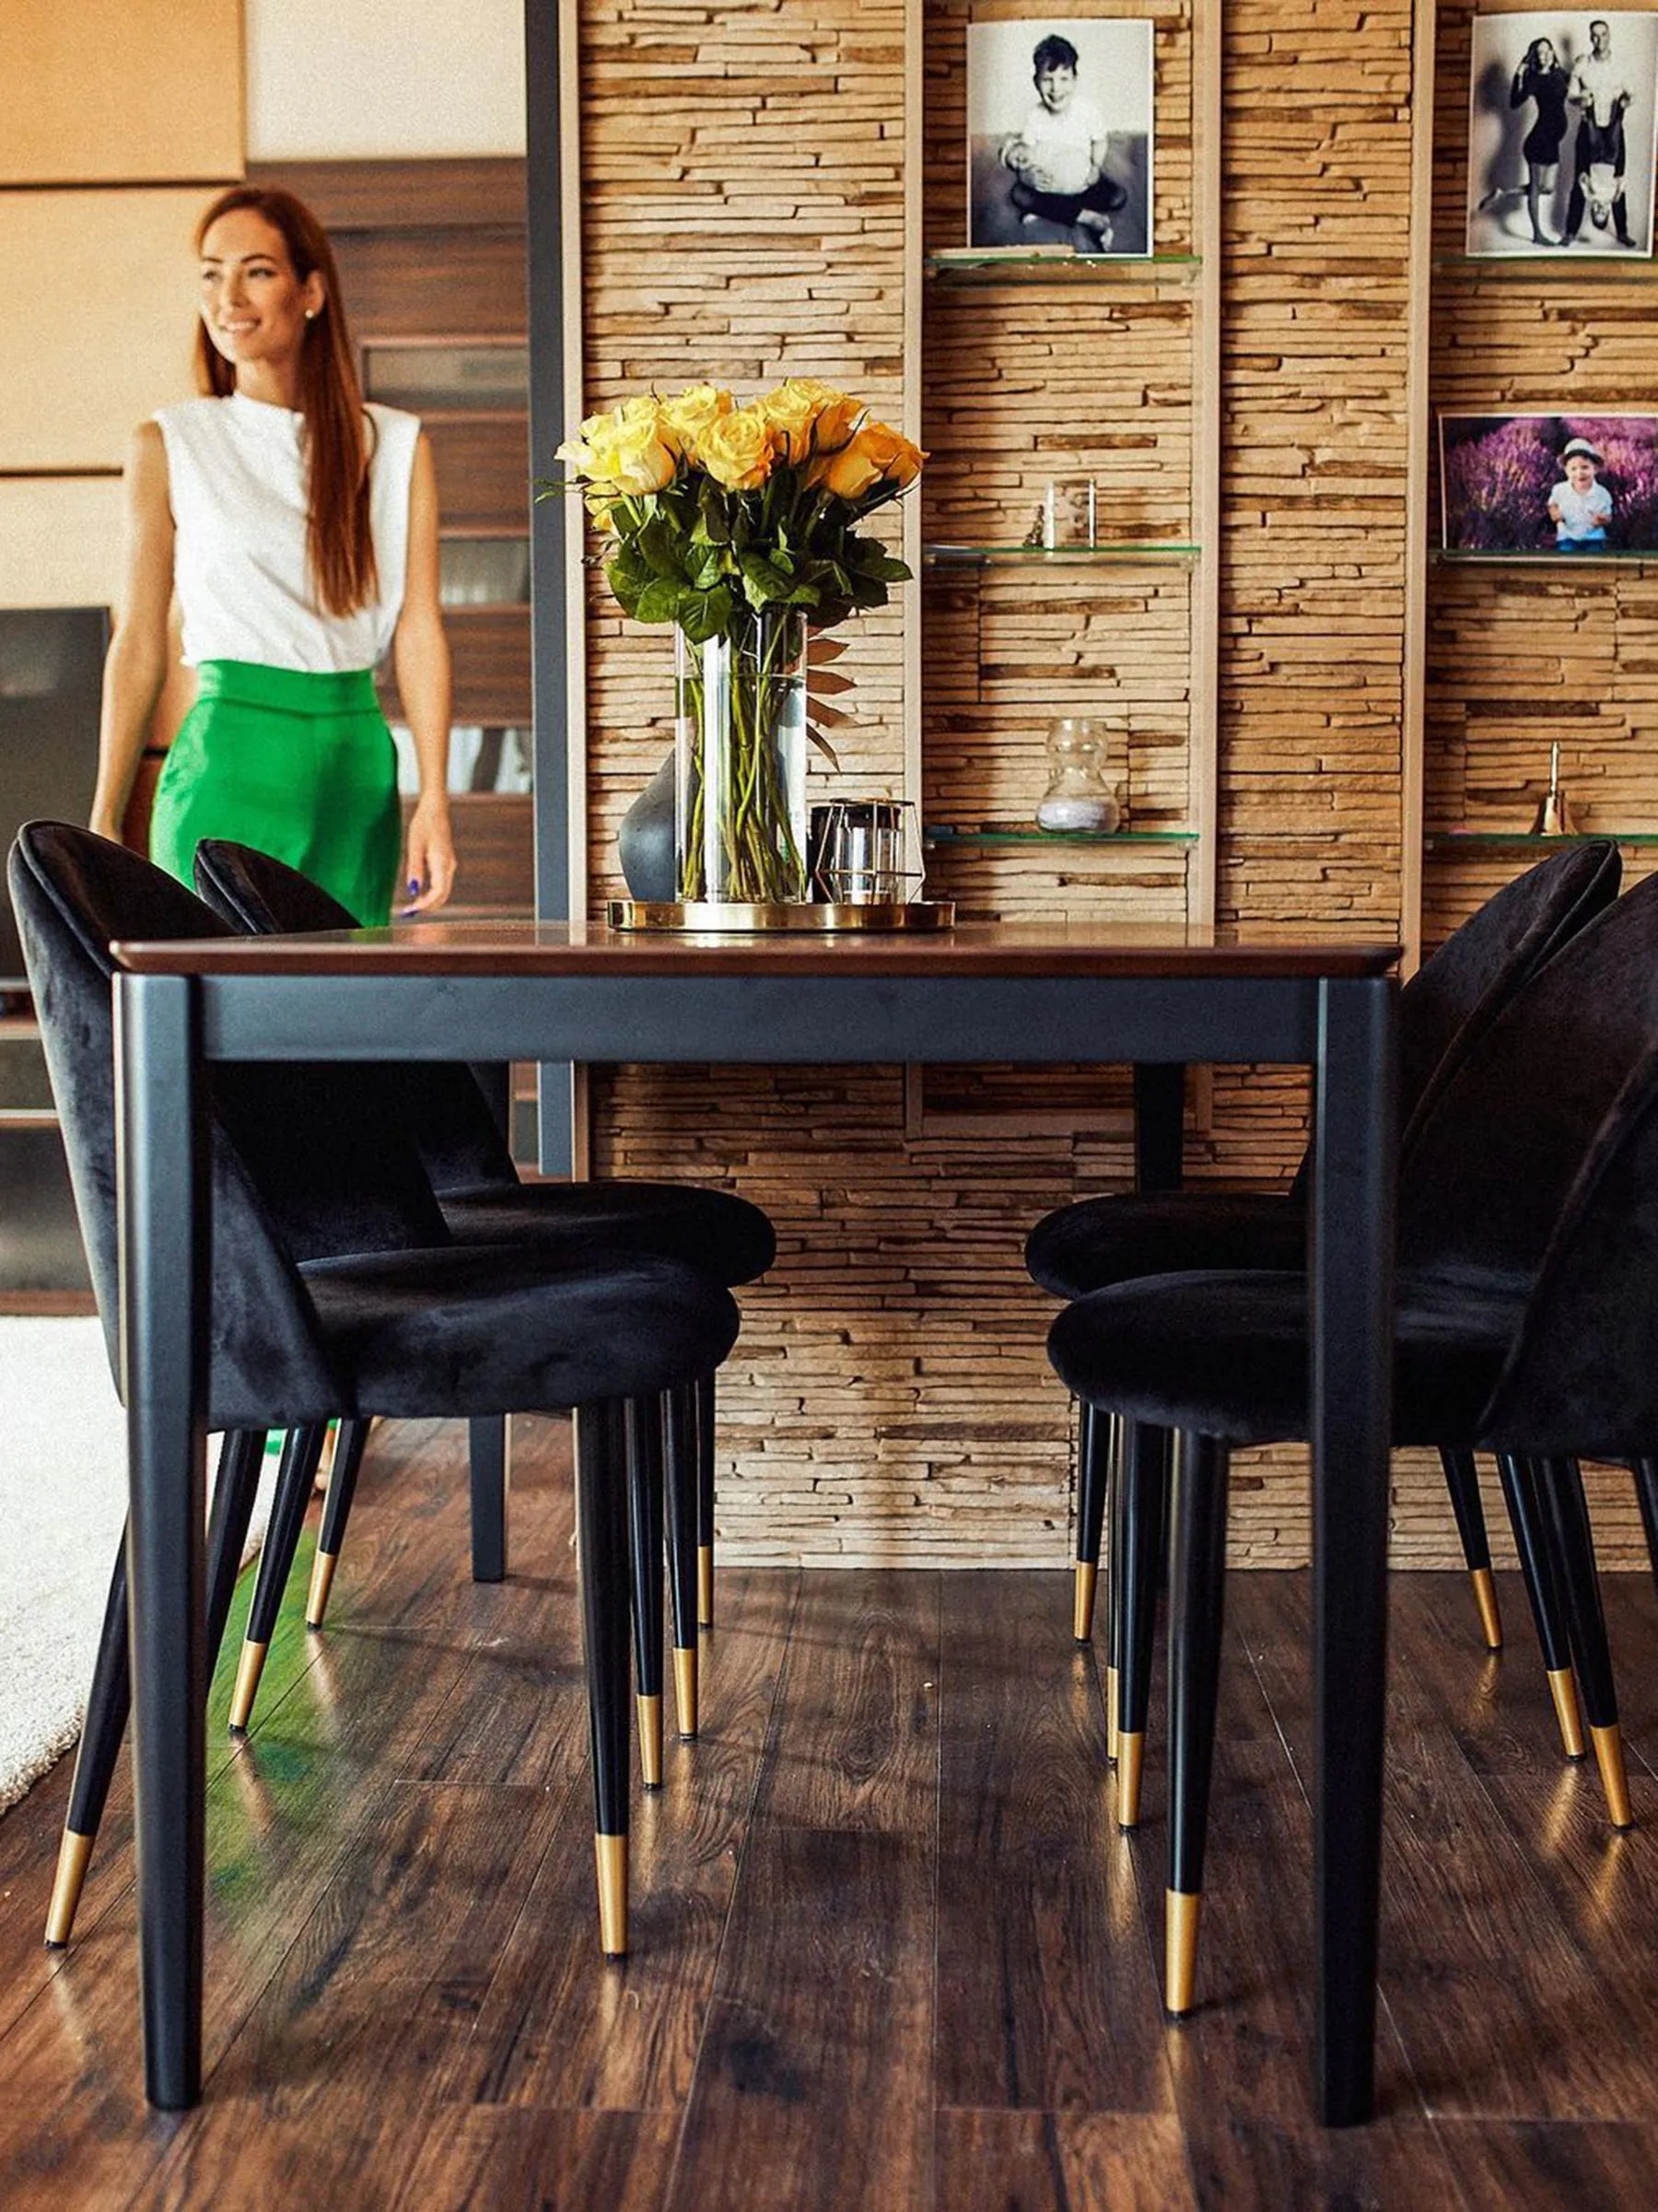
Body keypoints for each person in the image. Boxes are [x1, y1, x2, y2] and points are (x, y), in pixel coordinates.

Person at [89, 184, 456, 923]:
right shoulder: (170, 443)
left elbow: (419, 629)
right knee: (215, 1015)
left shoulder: (393, 445)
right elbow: (138, 639)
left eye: (256, 271)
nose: (229, 295)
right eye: (211, 273)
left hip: (354, 767)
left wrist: (436, 801)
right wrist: (103, 812)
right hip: (226, 760)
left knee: (342, 1026)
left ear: (311, 290)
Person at [999, 33, 1127, 252]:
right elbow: (1026, 154)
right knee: (1019, 194)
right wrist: (1028, 177)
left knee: (1117, 197)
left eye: (1063, 79)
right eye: (1048, 80)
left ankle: (1056, 210)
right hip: (1050, 186)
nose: (1056, 89)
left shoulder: (1087, 110)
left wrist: (1095, 167)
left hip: (1083, 182)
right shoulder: (1034, 116)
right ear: (1036, 83)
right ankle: (1088, 217)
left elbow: (1100, 141)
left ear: (1075, 80)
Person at [1480, 37, 1570, 246]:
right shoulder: (1534, 79)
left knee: (1547, 188)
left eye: (1548, 50)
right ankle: (1537, 234)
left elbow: (1575, 85)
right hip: (1538, 141)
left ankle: (1503, 194)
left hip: (1553, 142)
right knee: (1536, 191)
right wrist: (1519, 73)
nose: (1545, 55)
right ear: (1535, 57)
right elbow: (1513, 102)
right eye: (1540, 52)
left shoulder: (1560, 75)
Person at [1563, 18, 1637, 248]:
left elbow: (1631, 93)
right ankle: (1570, 232)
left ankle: (1622, 231)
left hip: (1614, 122)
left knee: (1617, 179)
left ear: (1609, 35)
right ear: (1590, 38)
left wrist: (1626, 100)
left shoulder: (1621, 64)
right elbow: (1571, 96)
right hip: (1589, 125)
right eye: (1595, 35)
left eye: (1603, 34)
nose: (1599, 39)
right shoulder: (1582, 64)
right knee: (1580, 180)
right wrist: (1581, 99)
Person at [1548, 436, 1615, 549]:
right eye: (1573, 469)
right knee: (1567, 557)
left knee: (1594, 559)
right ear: (1566, 471)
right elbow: (1552, 504)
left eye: (1585, 467)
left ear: (1595, 469)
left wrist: (1602, 519)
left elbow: (1608, 516)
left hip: (1593, 537)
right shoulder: (1560, 490)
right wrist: (1555, 514)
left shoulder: (1602, 493)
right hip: (1567, 536)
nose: (1579, 473)